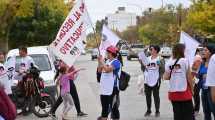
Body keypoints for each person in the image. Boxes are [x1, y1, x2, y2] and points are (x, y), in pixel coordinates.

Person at [163, 43, 194, 120]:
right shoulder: (185, 61)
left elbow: (165, 77)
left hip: (173, 91)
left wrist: (173, 72)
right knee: (188, 113)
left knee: (177, 113)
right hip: (184, 91)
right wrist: (192, 89)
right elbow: (189, 77)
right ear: (182, 51)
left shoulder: (169, 62)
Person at [97, 46, 121, 120]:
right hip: (104, 88)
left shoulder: (116, 62)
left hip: (113, 88)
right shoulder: (107, 61)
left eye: (107, 52)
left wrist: (102, 61)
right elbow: (99, 71)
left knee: (113, 107)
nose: (106, 53)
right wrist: (99, 62)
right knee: (104, 107)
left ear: (111, 53)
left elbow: (107, 69)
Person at [140, 45, 164, 117]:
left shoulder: (160, 59)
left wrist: (160, 65)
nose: (150, 50)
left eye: (151, 49)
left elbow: (163, 69)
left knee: (156, 96)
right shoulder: (147, 58)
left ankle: (157, 111)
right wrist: (142, 64)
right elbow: (143, 67)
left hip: (156, 80)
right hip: (147, 80)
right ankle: (148, 110)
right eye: (150, 49)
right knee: (148, 96)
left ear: (156, 50)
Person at [197, 44, 215, 120]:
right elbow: (198, 75)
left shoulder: (213, 61)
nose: (203, 52)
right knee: (206, 112)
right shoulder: (202, 63)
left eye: (206, 50)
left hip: (211, 90)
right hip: (204, 90)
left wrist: (207, 75)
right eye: (203, 50)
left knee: (213, 110)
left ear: (211, 52)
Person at [205, 44, 215, 114]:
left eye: (206, 50)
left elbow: (212, 80)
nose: (203, 52)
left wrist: (213, 96)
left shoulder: (213, 58)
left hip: (212, 89)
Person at [192, 48, 203, 115]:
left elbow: (195, 67)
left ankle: (196, 109)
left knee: (196, 94)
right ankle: (195, 107)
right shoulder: (192, 57)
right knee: (193, 94)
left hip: (197, 78)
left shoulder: (197, 57)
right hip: (192, 77)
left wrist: (191, 65)